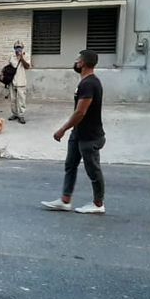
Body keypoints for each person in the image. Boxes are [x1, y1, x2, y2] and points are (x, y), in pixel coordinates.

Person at [42, 50, 106, 215]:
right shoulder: (85, 82)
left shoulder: (89, 84)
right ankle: (65, 200)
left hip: (89, 136)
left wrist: (62, 129)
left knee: (93, 170)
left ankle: (98, 204)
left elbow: (80, 112)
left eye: (78, 60)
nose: (76, 62)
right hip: (78, 133)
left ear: (83, 63)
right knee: (70, 165)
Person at [8, 40, 31, 123]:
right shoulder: (11, 56)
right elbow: (9, 67)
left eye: (20, 47)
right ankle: (15, 114)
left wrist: (22, 58)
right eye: (17, 47)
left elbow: (27, 67)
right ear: (14, 48)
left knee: (21, 99)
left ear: (22, 48)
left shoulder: (26, 56)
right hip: (12, 81)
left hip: (21, 81)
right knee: (13, 99)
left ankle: (21, 115)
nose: (18, 49)